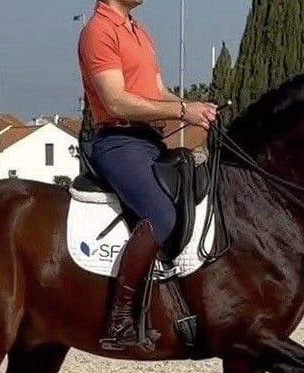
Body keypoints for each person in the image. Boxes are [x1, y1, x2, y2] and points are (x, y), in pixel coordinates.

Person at [78, 0, 218, 352]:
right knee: (160, 214)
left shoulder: (138, 30)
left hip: (150, 140)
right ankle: (120, 319)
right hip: (118, 141)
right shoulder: (99, 31)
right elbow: (116, 102)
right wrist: (183, 110)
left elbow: (157, 93)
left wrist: (196, 111)